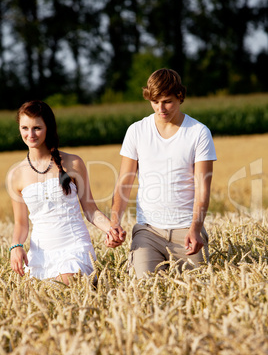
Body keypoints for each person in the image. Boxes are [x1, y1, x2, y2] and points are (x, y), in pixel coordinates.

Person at [107, 68, 217, 279]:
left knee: (196, 292)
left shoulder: (199, 132)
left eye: (167, 101)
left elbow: (203, 188)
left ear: (180, 96)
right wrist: (114, 224)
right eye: (155, 102)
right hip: (148, 231)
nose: (161, 108)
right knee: (144, 288)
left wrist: (195, 228)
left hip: (186, 229)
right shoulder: (136, 131)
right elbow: (124, 183)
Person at [7, 100, 125, 285]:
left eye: (37, 128)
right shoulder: (16, 175)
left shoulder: (73, 163)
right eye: (25, 128)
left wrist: (111, 229)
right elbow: (21, 224)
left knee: (64, 285)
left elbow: (90, 210)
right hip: (41, 256)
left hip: (75, 249)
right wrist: (16, 246)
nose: (30, 134)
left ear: (48, 128)